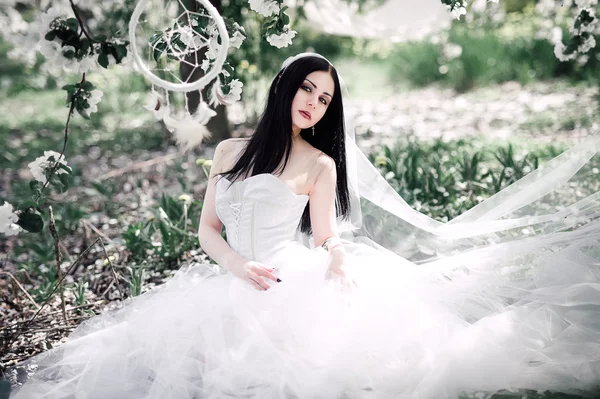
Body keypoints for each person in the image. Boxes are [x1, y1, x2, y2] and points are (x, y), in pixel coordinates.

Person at [11, 53, 600, 399]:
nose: (314, 103)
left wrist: (338, 258)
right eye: (307, 89)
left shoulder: (318, 163)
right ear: (285, 88)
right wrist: (237, 266)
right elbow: (207, 231)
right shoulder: (229, 152)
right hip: (233, 277)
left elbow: (324, 234)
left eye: (324, 99)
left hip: (286, 280)